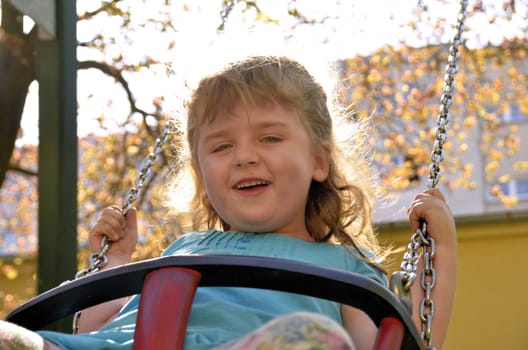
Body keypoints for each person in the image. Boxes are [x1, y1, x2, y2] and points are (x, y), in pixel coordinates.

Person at [0, 55, 457, 350]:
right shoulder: (185, 248)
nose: (244, 156)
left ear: (319, 160)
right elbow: (97, 331)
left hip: (262, 345)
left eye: (269, 137)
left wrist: (444, 253)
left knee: (315, 341)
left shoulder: (346, 270)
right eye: (220, 147)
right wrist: (114, 262)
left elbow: (402, 344)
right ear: (202, 175)